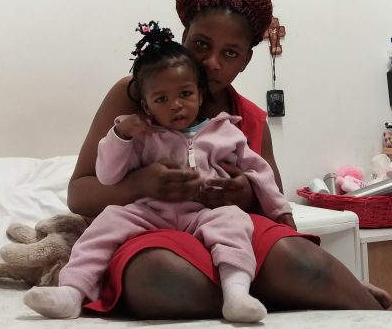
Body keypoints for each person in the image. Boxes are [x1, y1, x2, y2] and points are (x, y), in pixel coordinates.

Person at [67, 0, 392, 318]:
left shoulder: (248, 119)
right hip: (151, 227)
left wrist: (246, 194)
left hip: (228, 230)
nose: (211, 63)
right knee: (161, 276)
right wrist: (141, 184)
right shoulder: (134, 96)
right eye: (201, 45)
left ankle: (370, 313)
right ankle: (278, 297)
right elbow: (79, 194)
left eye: (230, 53)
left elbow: (276, 206)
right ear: (184, 37)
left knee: (303, 263)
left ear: (246, 61)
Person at [24, 21, 293, 322]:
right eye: (162, 99)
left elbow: (259, 171)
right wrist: (121, 136)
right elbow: (108, 175)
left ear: (199, 95)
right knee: (108, 221)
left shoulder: (225, 130)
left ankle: (237, 294)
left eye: (185, 94)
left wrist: (278, 209)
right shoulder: (144, 135)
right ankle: (71, 293)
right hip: (149, 213)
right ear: (147, 105)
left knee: (233, 222)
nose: (176, 105)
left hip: (202, 212)